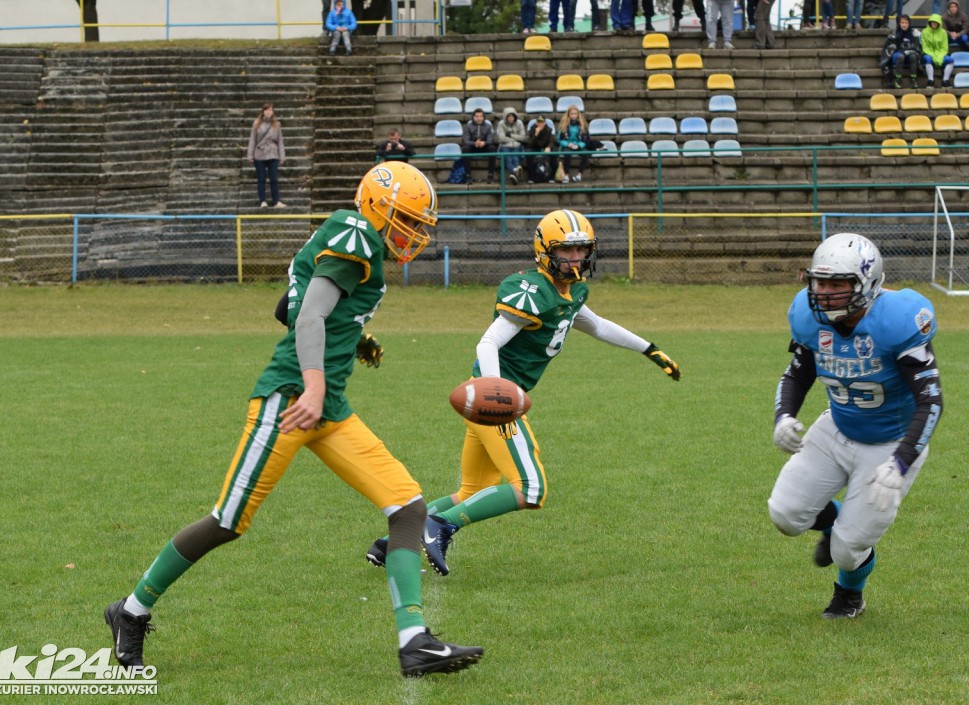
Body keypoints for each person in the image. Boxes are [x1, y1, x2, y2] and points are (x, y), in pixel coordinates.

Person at [103, 161, 484, 678]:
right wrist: (314, 380)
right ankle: (131, 610)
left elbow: (289, 303)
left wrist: (356, 339)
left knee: (408, 507)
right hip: (289, 401)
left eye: (418, 224)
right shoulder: (355, 235)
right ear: (376, 208)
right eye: (406, 220)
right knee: (227, 522)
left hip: (327, 410)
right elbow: (305, 316)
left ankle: (415, 640)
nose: (412, 232)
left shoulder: (356, 242)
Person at [363, 209, 682, 577]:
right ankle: (441, 526)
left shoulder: (571, 290)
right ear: (546, 250)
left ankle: (392, 543)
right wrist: (495, 397)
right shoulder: (533, 290)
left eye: (581, 250)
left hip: (483, 396)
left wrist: (649, 349)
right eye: (567, 250)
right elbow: (489, 342)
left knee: (472, 492)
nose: (576, 258)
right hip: (491, 399)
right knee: (531, 488)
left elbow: (595, 325)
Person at [768, 233, 943, 619]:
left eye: (837, 284)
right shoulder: (807, 316)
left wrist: (900, 462)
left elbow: (930, 401)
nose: (825, 293)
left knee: (846, 550)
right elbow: (798, 373)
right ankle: (834, 525)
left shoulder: (897, 320)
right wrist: (784, 415)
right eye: (820, 282)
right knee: (784, 514)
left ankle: (849, 594)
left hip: (891, 441)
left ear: (867, 283)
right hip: (837, 426)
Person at [246, 103, 286, 209]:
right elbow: (252, 140)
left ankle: (276, 200)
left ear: (273, 112)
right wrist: (250, 155)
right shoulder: (256, 123)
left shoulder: (277, 124)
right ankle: (263, 200)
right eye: (266, 110)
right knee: (261, 179)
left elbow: (280, 141)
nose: (268, 112)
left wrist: (282, 156)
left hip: (273, 154)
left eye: (270, 110)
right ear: (263, 111)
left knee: (273, 178)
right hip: (259, 154)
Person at [883, 15, 922, 88]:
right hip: (898, 55)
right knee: (900, 56)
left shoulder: (914, 33)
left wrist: (909, 51)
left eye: (906, 23)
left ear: (909, 23)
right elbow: (890, 48)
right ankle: (898, 79)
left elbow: (917, 47)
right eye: (902, 23)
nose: (904, 25)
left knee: (913, 56)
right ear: (899, 23)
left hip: (910, 55)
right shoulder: (894, 33)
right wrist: (903, 51)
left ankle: (913, 79)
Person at [556, 105, 592, 183]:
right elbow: (559, 139)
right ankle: (566, 175)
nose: (573, 115)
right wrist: (568, 144)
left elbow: (586, 139)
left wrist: (579, 145)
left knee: (586, 154)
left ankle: (579, 175)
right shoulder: (563, 124)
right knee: (567, 154)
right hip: (568, 145)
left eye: (575, 114)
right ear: (568, 114)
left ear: (578, 114)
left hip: (578, 145)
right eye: (572, 114)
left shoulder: (582, 125)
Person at [462, 108, 496, 184]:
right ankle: (468, 176)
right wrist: (474, 143)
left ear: (483, 117)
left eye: (480, 116)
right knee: (465, 149)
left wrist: (484, 143)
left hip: (484, 146)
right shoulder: (468, 126)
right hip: (473, 146)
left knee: (492, 148)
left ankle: (490, 176)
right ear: (473, 117)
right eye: (477, 116)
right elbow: (466, 140)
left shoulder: (488, 126)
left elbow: (490, 140)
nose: (479, 118)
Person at [921, 13, 954, 87]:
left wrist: (939, 56)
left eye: (936, 22)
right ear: (930, 22)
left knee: (950, 60)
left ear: (939, 23)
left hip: (940, 54)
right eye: (932, 22)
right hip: (929, 53)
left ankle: (945, 80)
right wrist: (933, 56)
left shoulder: (943, 32)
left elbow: (945, 47)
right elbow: (925, 47)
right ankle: (930, 80)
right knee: (928, 59)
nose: (934, 23)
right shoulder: (924, 32)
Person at [496, 107, 527, 185]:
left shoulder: (519, 123)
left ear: (515, 116)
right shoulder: (501, 124)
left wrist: (510, 135)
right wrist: (516, 138)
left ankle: (513, 174)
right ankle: (514, 171)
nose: (511, 118)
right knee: (508, 158)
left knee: (515, 157)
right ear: (505, 117)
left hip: (517, 146)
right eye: (509, 116)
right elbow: (502, 138)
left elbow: (523, 137)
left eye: (512, 116)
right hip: (505, 146)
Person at [525, 115, 556, 183]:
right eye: (539, 122)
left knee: (554, 152)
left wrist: (548, 147)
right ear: (536, 123)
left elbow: (551, 141)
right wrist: (536, 134)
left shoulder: (549, 129)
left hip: (545, 147)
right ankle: (531, 177)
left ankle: (551, 177)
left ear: (545, 123)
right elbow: (529, 144)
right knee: (528, 152)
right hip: (535, 147)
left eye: (542, 122)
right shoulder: (532, 130)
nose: (540, 124)